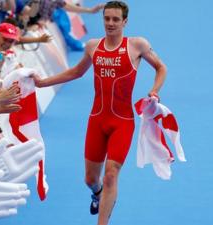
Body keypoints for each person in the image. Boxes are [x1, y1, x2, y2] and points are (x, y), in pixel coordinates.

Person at [32, 1, 167, 225]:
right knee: (90, 179)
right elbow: (76, 72)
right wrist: (43, 83)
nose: (110, 23)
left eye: (116, 19)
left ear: (125, 22)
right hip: (97, 121)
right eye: (107, 19)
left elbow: (162, 67)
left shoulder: (137, 45)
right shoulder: (93, 46)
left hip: (122, 122)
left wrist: (154, 91)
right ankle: (97, 193)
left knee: (112, 173)